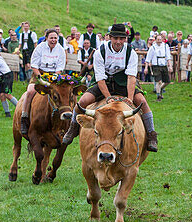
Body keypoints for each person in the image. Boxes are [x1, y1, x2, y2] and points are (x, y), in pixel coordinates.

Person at [62, 23, 159, 152]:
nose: (118, 41)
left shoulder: (131, 52)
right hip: (105, 82)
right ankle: (73, 128)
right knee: (82, 101)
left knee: (142, 102)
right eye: (115, 38)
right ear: (110, 37)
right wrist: (108, 98)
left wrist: (129, 99)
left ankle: (151, 135)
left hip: (124, 83)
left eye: (121, 38)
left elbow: (131, 77)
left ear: (125, 39)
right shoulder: (100, 51)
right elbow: (100, 78)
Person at [19, 29, 67, 136]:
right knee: (30, 91)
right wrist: (41, 78)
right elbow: (34, 65)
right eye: (51, 38)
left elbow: (60, 68)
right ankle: (24, 116)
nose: (53, 40)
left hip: (54, 75)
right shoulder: (40, 48)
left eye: (55, 38)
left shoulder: (60, 50)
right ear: (46, 38)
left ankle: (67, 118)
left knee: (64, 92)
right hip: (39, 73)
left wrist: (53, 78)